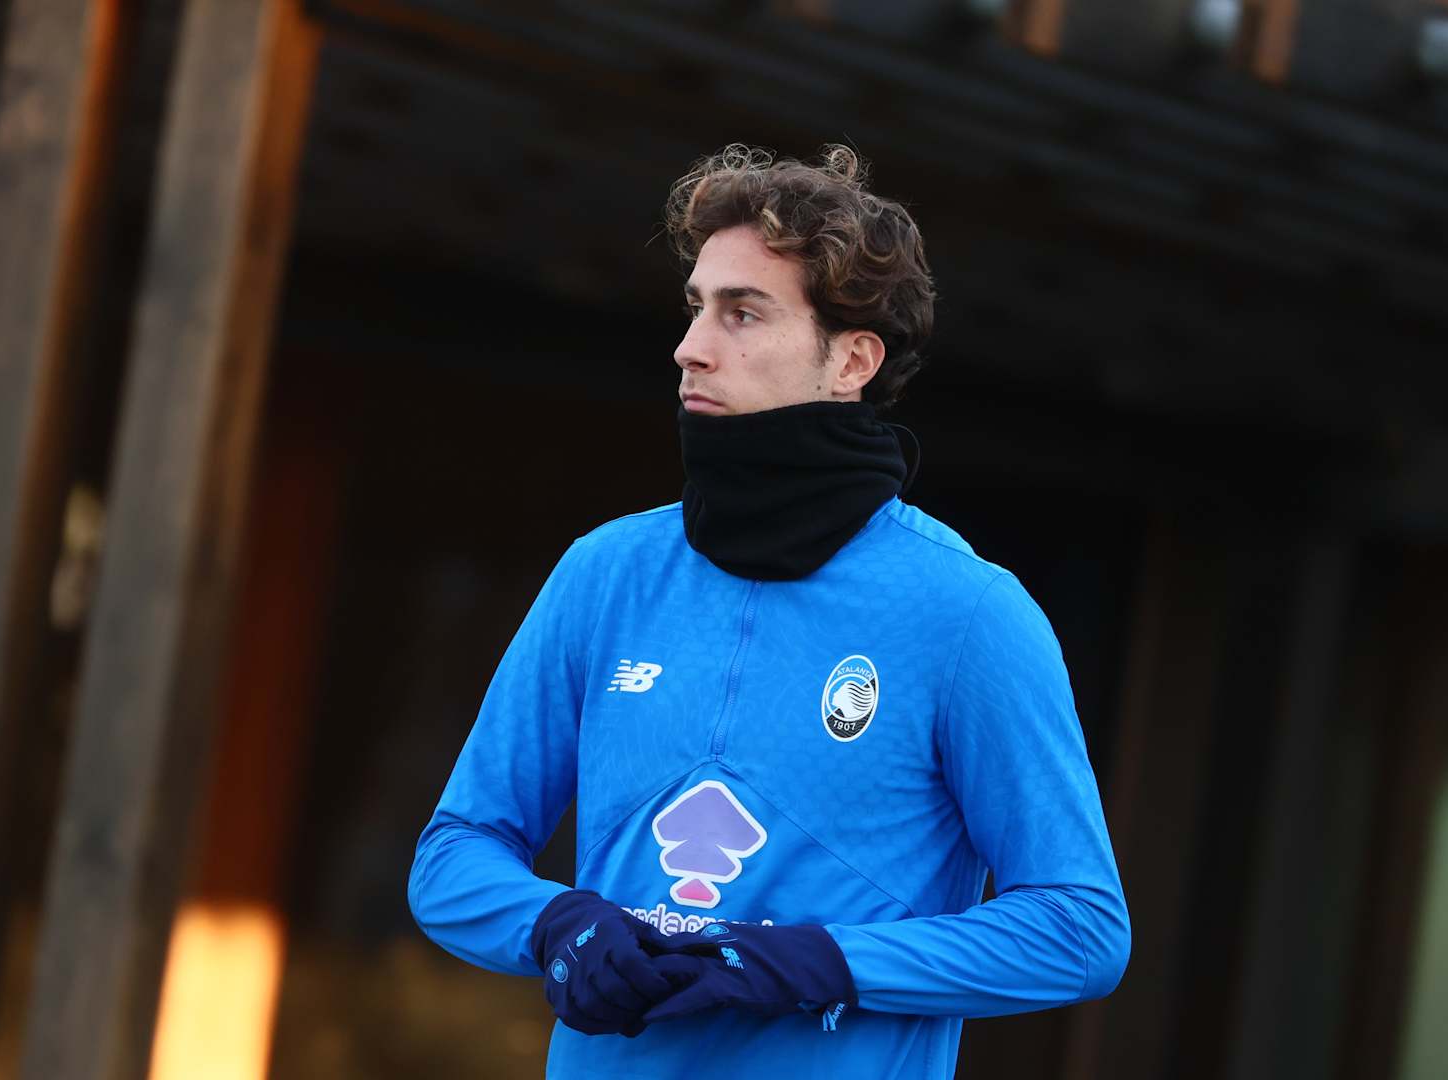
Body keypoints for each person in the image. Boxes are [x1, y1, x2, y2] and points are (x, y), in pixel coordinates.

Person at [407, 144, 1129, 1078]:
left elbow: (1079, 926)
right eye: (696, 307)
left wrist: (828, 965)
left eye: (742, 313)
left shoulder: (970, 613)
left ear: (852, 360)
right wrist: (554, 924)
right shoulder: (605, 574)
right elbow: (454, 855)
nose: (691, 347)